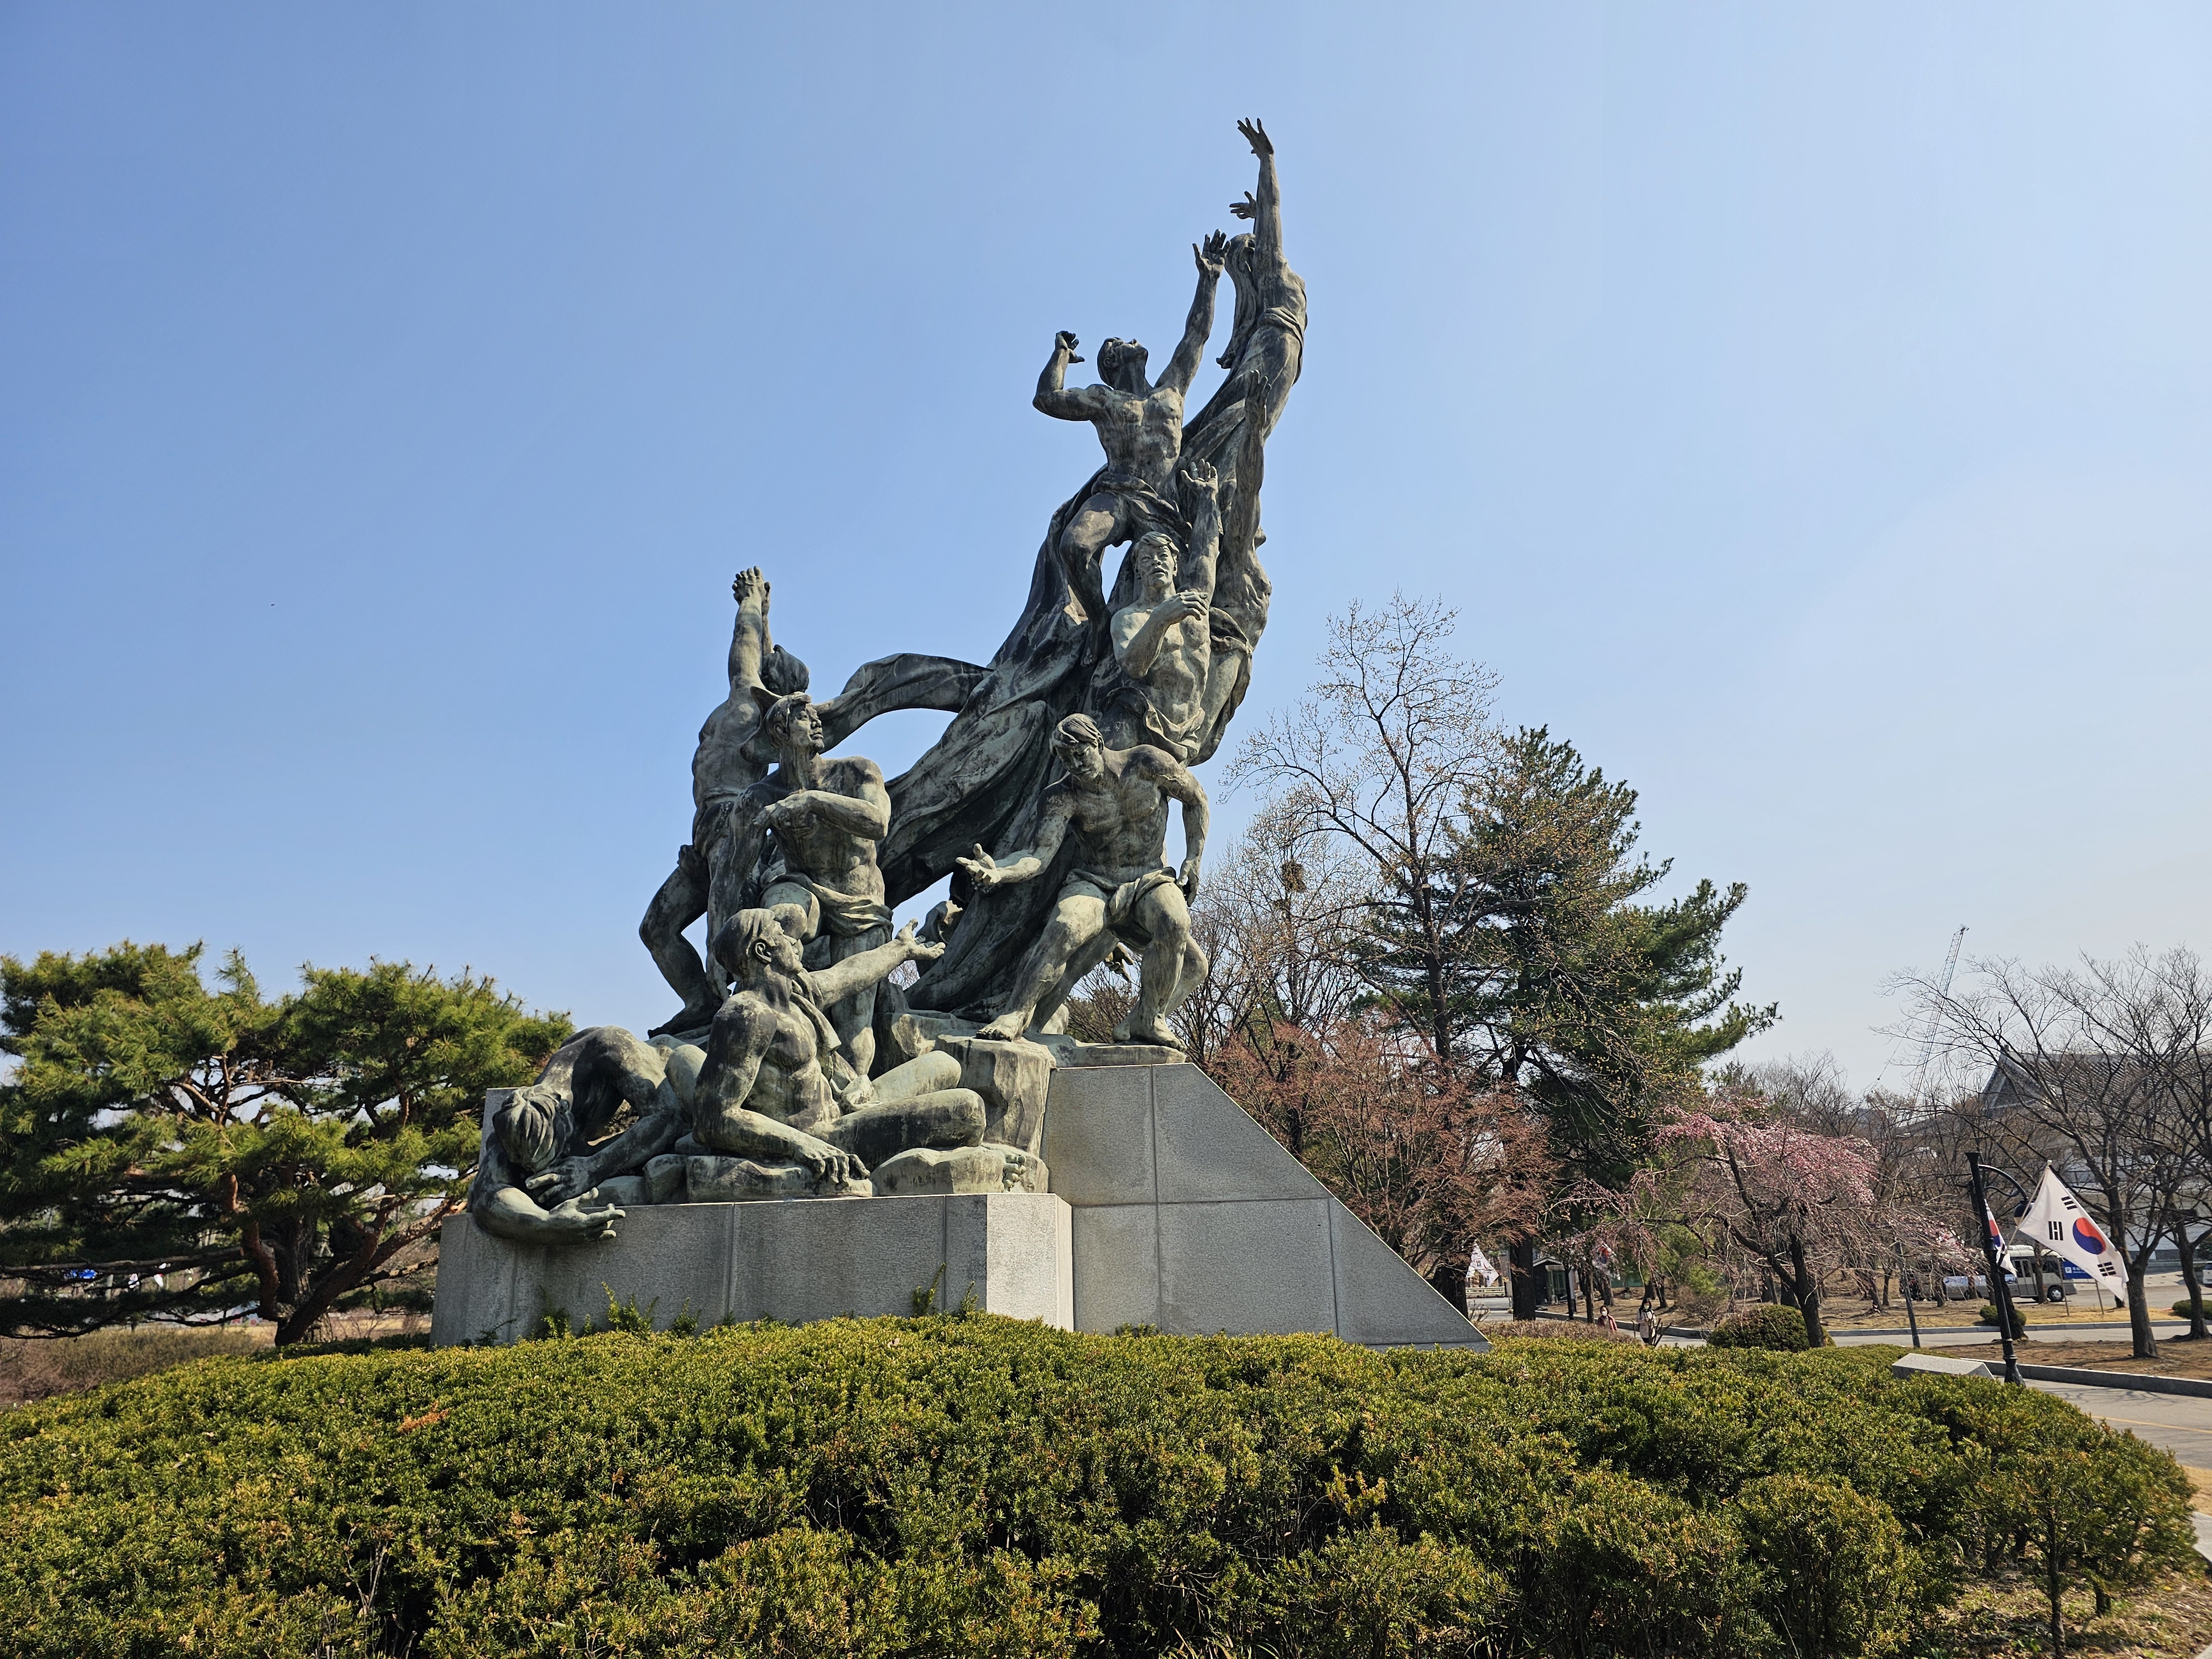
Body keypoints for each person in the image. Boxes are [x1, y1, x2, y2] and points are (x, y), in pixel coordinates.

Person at [689, 907, 1003, 1194]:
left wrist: (901, 949)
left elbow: (850, 973)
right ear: (763, 951)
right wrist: (801, 1145)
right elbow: (714, 1118)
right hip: (824, 1135)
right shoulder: (747, 1015)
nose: (793, 940)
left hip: (846, 1106)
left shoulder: (795, 997)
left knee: (944, 1064)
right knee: (968, 1108)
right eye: (781, 933)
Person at [957, 713, 1208, 1048]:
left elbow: (1196, 799)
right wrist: (1000, 871)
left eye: (1080, 754)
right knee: (1064, 927)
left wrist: (1194, 857)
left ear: (1098, 743)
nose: (1075, 765)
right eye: (1066, 760)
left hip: (1149, 878)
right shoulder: (1061, 796)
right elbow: (1037, 855)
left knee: (1175, 922)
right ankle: (1015, 1014)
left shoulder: (1147, 763)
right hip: (1096, 881)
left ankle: (1149, 1020)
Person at [639, 567, 811, 1035]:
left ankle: (735, 1013)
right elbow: (764, 653)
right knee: (656, 928)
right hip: (705, 833)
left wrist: (749, 603)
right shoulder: (751, 710)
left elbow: (746, 646)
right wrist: (768, 614)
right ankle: (700, 1003)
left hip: (730, 827)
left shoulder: (748, 705)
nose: (764, 659)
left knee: (725, 935)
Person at [1032, 231, 1226, 627]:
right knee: (1073, 547)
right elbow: (1047, 398)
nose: (1132, 340)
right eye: (1119, 342)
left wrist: (1209, 280)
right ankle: (1099, 626)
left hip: (1164, 502)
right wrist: (1061, 355)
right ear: (1112, 361)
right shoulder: (1103, 400)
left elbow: (1197, 335)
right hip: (1118, 495)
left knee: (1188, 583)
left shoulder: (1171, 389)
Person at [741, 692, 895, 1075]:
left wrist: (813, 801)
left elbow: (878, 822)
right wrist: (719, 946)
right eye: (804, 717)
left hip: (860, 902)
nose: (816, 722)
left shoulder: (857, 772)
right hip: (803, 887)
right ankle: (756, 1027)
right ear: (780, 731)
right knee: (779, 918)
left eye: (816, 716)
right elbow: (734, 871)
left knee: (854, 1022)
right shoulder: (761, 796)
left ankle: (853, 1090)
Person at [467, 1027, 689, 1245]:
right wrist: (547, 1223)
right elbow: (487, 1195)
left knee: (687, 1065)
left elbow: (667, 1115)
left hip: (674, 1072)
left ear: (564, 1115)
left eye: (553, 1155)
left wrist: (593, 1167)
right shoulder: (516, 1119)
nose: (540, 1170)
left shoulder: (611, 1047)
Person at [1100, 462, 1221, 759]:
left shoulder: (1195, 602)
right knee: (1101, 764)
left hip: (1189, 728)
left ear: (1175, 564)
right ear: (1138, 571)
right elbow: (1133, 666)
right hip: (1139, 718)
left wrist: (1208, 498)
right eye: (1146, 559)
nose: (1155, 562)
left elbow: (1206, 553)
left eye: (1162, 556)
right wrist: (1161, 618)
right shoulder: (1128, 618)